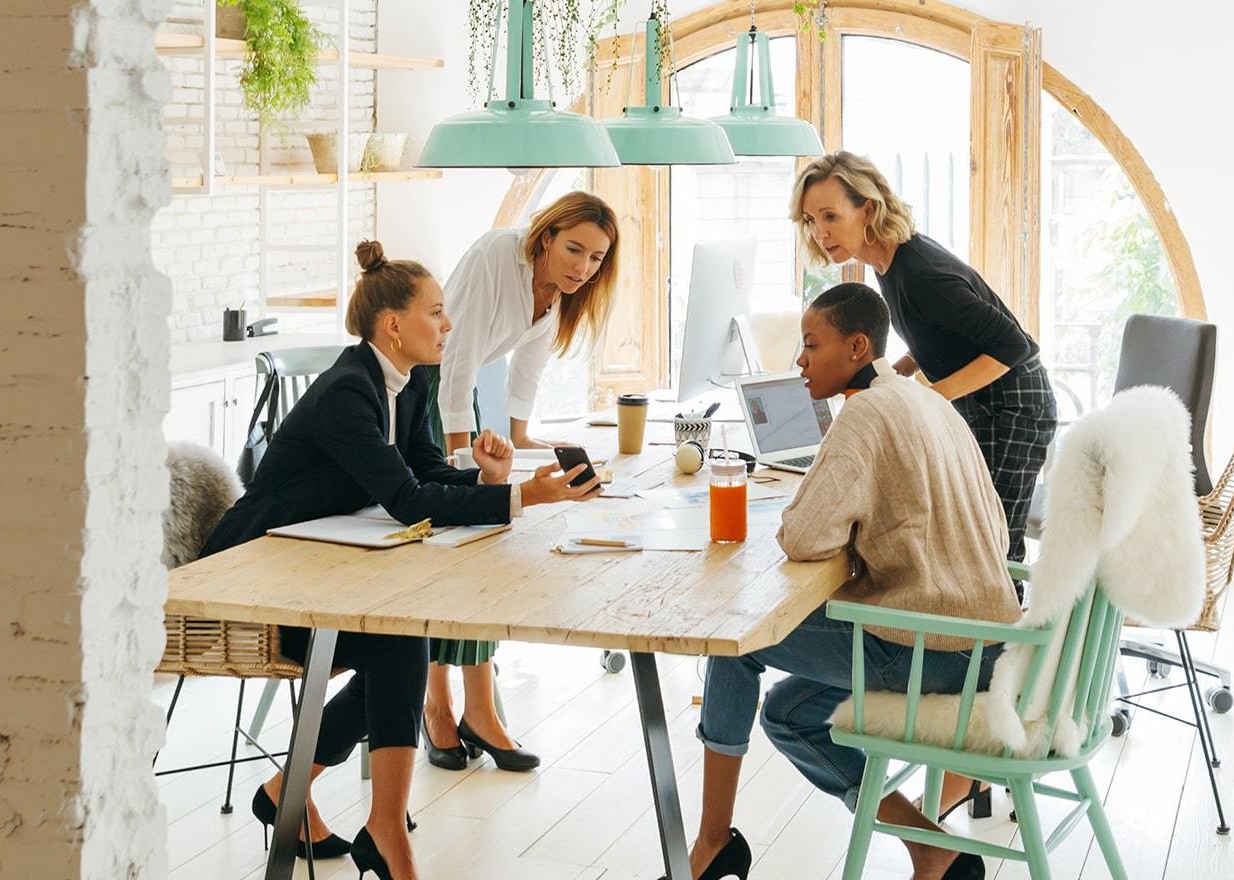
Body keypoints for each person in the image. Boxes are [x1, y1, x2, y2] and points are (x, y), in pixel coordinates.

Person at [200, 241, 600, 880]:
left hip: (317, 560)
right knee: (401, 640)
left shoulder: (409, 384)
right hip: (257, 569)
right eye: (437, 314)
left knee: (409, 634)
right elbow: (409, 498)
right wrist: (520, 495)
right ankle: (364, 822)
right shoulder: (347, 392)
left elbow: (428, 472)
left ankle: (318, 804)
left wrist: (487, 477)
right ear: (394, 326)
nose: (449, 326)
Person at [678, 283, 1021, 880]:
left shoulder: (863, 414)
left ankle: (711, 845)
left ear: (858, 347)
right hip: (992, 645)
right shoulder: (926, 400)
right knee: (788, 712)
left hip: (933, 649)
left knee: (731, 642)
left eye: (812, 345)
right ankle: (929, 846)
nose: (800, 362)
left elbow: (804, 537)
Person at [420, 191, 620, 773]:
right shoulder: (496, 256)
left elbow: (528, 362)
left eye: (596, 258)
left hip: (458, 405)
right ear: (547, 236)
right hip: (426, 398)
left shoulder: (555, 292)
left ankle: (477, 710)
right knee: (454, 553)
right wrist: (458, 458)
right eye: (574, 248)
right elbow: (453, 359)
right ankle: (440, 706)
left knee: (482, 554)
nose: (582, 266)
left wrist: (522, 433)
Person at [791, 151, 1057, 587]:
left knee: (993, 546)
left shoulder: (921, 274)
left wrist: (931, 398)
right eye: (810, 220)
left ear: (868, 209)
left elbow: (1015, 345)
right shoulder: (887, 262)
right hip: (981, 401)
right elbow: (934, 333)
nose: (820, 232)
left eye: (830, 217)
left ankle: (1000, 651)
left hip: (1013, 406)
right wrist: (893, 374)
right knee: (976, 537)